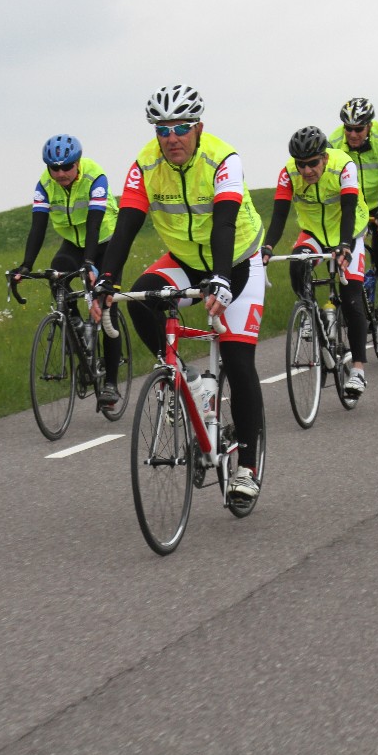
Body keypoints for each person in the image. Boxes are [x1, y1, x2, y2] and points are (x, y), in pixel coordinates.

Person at [94, 85, 265, 502]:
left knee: (238, 360)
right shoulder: (145, 165)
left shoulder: (223, 159)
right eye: (163, 130)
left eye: (182, 128)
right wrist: (105, 281)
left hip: (237, 260)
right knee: (141, 298)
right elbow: (126, 225)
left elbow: (225, 223)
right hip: (186, 259)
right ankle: (183, 379)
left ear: (199, 128)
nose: (172, 138)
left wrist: (221, 278)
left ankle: (246, 467)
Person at [11, 134, 123, 404]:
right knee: (57, 272)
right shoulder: (44, 184)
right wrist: (26, 265)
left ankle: (111, 384)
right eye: (54, 168)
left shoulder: (95, 177)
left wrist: (90, 263)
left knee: (107, 307)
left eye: (66, 167)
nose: (60, 173)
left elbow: (94, 223)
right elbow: (38, 226)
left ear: (78, 162)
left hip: (105, 242)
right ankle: (75, 323)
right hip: (73, 243)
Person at [261, 126, 370, 397]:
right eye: (301, 164)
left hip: (349, 231)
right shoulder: (288, 173)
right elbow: (279, 215)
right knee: (297, 264)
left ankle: (358, 370)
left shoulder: (343, 165)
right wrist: (268, 246)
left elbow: (348, 209)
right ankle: (310, 311)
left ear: (325, 157)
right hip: (314, 233)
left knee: (351, 296)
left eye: (312, 163)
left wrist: (345, 246)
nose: (307, 170)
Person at [329, 97, 378, 352]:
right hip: (350, 207)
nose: (352, 134)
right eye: (348, 129)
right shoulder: (333, 142)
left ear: (369, 126)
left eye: (358, 129)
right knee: (341, 256)